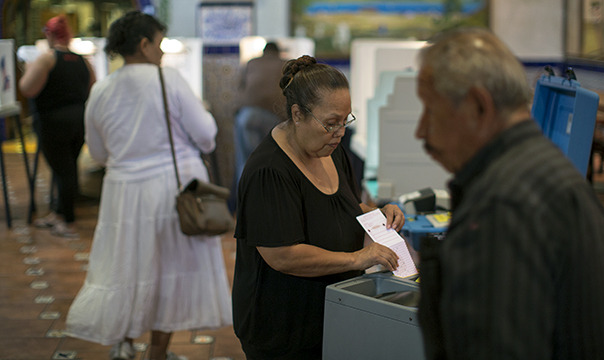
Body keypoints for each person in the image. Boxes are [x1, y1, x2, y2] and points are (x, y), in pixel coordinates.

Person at [414, 27, 604, 359]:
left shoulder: (503, 207)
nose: (421, 130)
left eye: (430, 110)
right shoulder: (549, 173)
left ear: (478, 106)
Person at [65, 11, 232, 360]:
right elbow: (206, 136)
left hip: (123, 193)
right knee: (169, 273)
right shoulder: (167, 79)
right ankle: (157, 353)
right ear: (144, 44)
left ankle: (123, 344)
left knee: (124, 267)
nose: (162, 52)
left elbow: (96, 152)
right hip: (171, 191)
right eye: (159, 44)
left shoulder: (101, 89)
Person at [232, 55, 406, 359]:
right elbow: (282, 254)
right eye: (330, 123)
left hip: (328, 314)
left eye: (345, 120)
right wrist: (356, 258)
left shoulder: (331, 148)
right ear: (298, 114)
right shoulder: (269, 171)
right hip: (282, 324)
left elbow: (342, 205)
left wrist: (377, 213)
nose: (340, 132)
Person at [19, 15, 96, 237]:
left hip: (53, 122)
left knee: (63, 170)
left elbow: (27, 88)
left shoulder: (47, 59)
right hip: (79, 120)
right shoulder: (83, 60)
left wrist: (28, 68)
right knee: (69, 167)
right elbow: (93, 87)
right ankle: (60, 213)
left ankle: (68, 221)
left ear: (50, 34)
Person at [232, 41, 287, 210]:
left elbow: (240, 88)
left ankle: (245, 206)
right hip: (272, 118)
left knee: (246, 162)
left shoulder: (252, 63)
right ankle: (268, 206)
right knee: (271, 161)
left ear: (264, 52)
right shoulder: (284, 64)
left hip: (246, 115)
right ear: (278, 53)